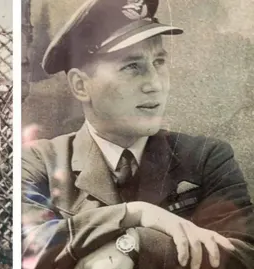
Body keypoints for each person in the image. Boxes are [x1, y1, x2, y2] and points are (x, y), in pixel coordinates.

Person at [21, 0, 254, 269]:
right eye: (132, 66)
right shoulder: (41, 161)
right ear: (81, 85)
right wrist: (132, 214)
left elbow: (243, 255)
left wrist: (135, 245)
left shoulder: (206, 158)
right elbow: (28, 248)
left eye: (159, 61)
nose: (155, 84)